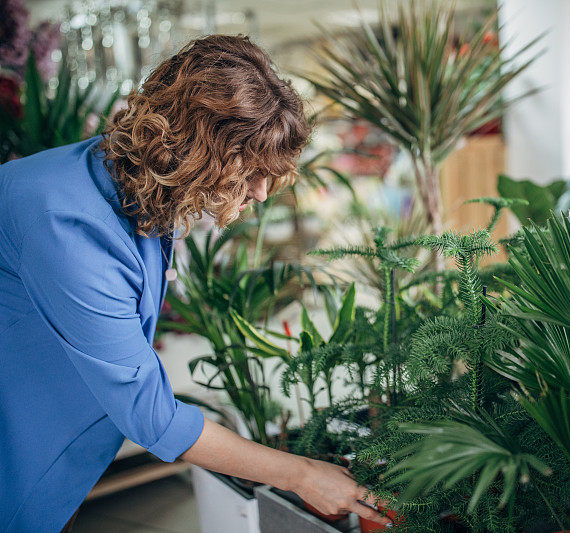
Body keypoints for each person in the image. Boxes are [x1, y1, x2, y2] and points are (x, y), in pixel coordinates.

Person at [0, 35, 389, 532]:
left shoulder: (127, 181)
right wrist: (302, 474)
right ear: (193, 147)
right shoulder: (67, 225)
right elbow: (154, 417)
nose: (263, 191)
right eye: (249, 168)